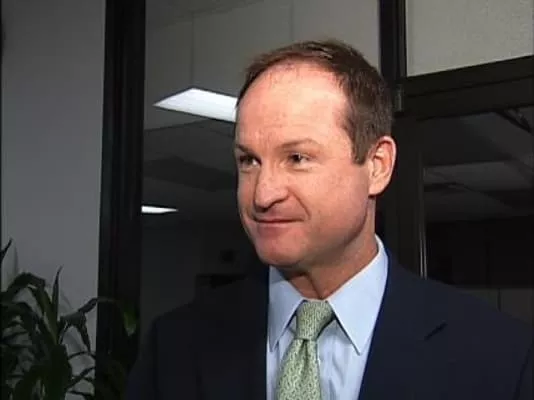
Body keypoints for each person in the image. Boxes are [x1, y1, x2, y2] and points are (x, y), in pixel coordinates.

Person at [126, 40, 532, 400]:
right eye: (249, 160)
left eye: (297, 158)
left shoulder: (500, 356)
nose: (263, 194)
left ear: (377, 166)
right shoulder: (175, 347)